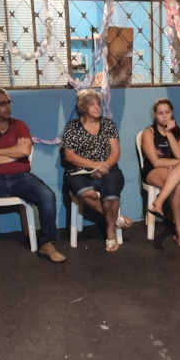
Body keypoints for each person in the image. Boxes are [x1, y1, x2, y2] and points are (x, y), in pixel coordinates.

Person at [0, 87, 66, 263]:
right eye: (2, 103)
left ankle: (47, 244)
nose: (8, 107)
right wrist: (11, 155)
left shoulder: (20, 125)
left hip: (21, 177)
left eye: (9, 102)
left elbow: (24, 151)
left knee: (47, 195)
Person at [61, 89, 132, 252]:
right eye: (91, 104)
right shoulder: (72, 127)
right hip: (79, 171)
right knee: (86, 193)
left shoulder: (108, 124)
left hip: (108, 169)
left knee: (112, 191)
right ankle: (116, 219)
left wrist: (103, 167)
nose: (97, 107)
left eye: (98, 104)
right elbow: (69, 156)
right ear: (82, 108)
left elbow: (116, 152)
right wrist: (94, 165)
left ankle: (110, 234)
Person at [141, 98, 180, 248]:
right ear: (155, 115)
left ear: (172, 113)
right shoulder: (148, 132)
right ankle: (179, 230)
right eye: (160, 113)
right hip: (154, 171)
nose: (164, 116)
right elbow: (156, 162)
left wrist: (169, 133)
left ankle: (158, 202)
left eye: (167, 112)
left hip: (175, 172)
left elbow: (178, 155)